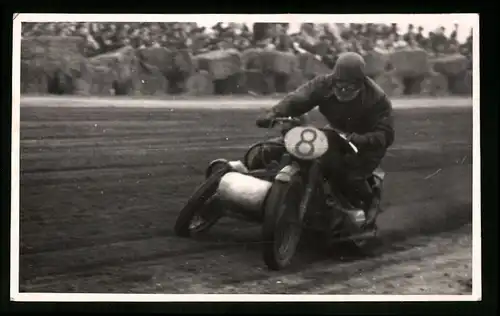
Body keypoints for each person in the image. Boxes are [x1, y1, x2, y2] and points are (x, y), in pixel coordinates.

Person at [254, 52, 395, 229]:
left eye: (349, 87)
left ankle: (368, 206)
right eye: (339, 85)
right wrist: (274, 114)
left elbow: (385, 134)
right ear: (333, 79)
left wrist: (361, 139)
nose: (342, 91)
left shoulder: (377, 99)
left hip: (366, 144)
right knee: (278, 149)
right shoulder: (323, 84)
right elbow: (298, 99)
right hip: (336, 134)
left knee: (349, 176)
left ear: (361, 83)